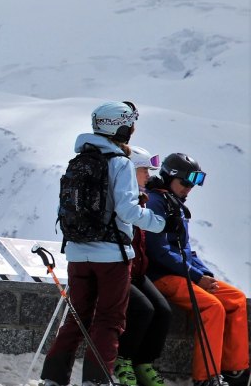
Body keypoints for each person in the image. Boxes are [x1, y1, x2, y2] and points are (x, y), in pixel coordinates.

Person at [40, 101, 170, 386]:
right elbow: (127, 211)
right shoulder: (120, 163)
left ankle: (52, 379)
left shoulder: (79, 161)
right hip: (111, 255)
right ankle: (96, 380)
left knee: (77, 317)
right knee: (110, 320)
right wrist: (159, 222)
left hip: (76, 252)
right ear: (122, 127)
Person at [144, 153, 249, 386]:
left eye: (192, 184)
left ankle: (236, 371)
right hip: (161, 275)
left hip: (182, 272)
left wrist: (205, 275)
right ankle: (206, 377)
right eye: (185, 183)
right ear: (169, 177)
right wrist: (195, 276)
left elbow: (187, 250)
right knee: (211, 307)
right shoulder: (155, 202)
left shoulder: (175, 205)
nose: (189, 189)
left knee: (236, 299)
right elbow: (158, 251)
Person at [114, 147, 172, 386]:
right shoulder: (125, 199)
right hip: (119, 270)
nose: (148, 175)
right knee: (143, 310)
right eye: (143, 169)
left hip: (137, 271)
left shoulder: (143, 198)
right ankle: (123, 360)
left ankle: (144, 362)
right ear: (130, 169)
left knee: (163, 311)